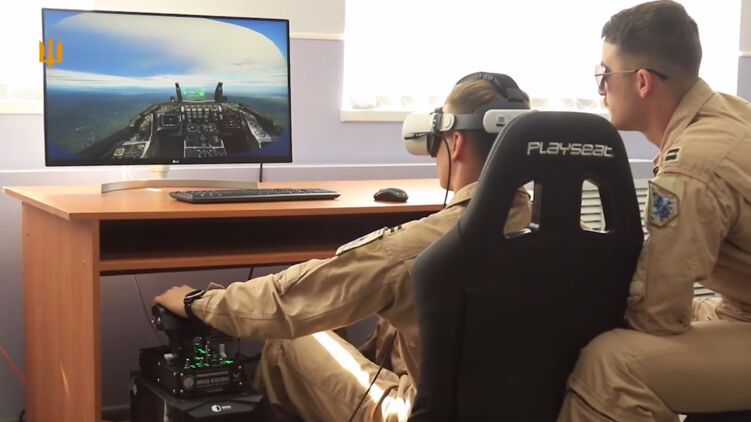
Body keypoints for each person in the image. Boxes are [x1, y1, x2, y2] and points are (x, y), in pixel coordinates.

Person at [155, 73, 533, 422]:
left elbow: (288, 301)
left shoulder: (419, 247)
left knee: (289, 342)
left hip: (422, 413)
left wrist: (197, 302)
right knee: (393, 319)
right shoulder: (557, 232)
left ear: (455, 141)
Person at [557, 1, 751, 421]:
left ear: (642, 81)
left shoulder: (692, 165)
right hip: (743, 306)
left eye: (604, 75)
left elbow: (659, 313)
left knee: (610, 364)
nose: (601, 89)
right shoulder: (730, 113)